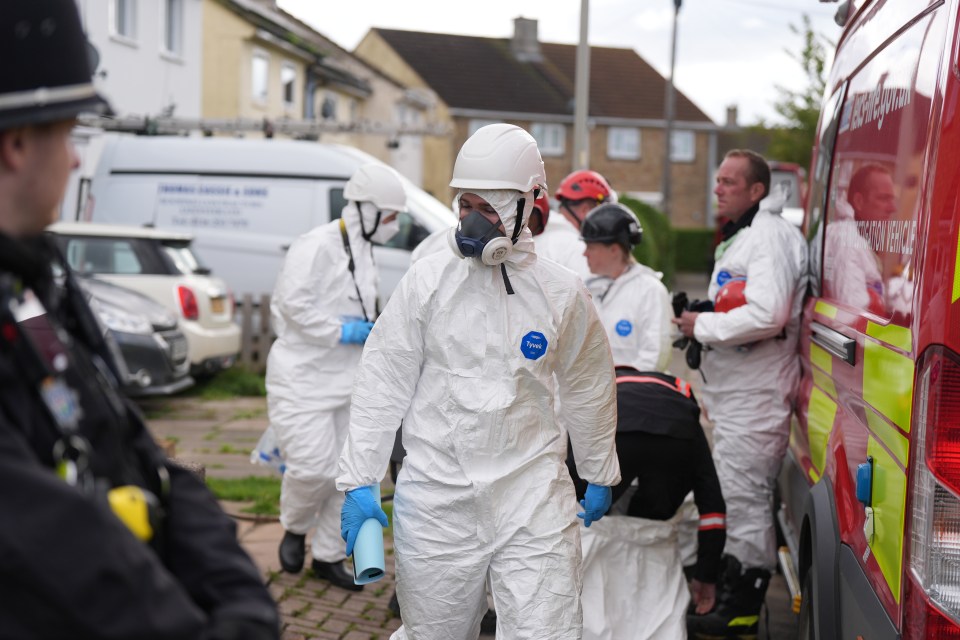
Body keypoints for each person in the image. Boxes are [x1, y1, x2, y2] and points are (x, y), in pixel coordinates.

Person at [0, 2, 279, 638]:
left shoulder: (34, 289)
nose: (75, 161)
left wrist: (236, 591)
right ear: (16, 142)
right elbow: (59, 552)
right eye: (69, 134)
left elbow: (129, 444)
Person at [337, 123, 621, 639]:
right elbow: (384, 377)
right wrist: (361, 477)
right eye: (466, 204)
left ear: (530, 205)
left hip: (532, 495)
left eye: (489, 210)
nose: (473, 221)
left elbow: (588, 383)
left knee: (548, 632)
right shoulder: (428, 280)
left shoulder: (560, 292)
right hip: (437, 498)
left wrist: (598, 467)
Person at [674, 149, 806, 639]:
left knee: (745, 499)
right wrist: (706, 314)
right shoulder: (746, 237)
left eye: (730, 181)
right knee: (737, 493)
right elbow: (747, 301)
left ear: (757, 191)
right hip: (739, 394)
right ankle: (734, 594)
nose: (718, 188)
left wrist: (701, 323)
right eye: (718, 180)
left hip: (756, 395)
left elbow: (770, 314)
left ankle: (742, 606)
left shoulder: (767, 238)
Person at [266, 162, 407, 590]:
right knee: (312, 468)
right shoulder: (317, 245)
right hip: (302, 378)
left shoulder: (362, 248)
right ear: (364, 210)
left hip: (347, 379)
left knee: (346, 473)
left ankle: (327, 555)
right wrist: (342, 330)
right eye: (390, 216)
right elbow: (293, 305)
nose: (394, 226)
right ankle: (293, 527)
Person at [575, 367, 726, 640]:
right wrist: (707, 575)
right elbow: (711, 501)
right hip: (675, 439)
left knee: (585, 511)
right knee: (654, 513)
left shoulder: (607, 381)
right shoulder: (680, 394)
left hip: (614, 430)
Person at [581, 202, 673, 372]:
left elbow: (656, 358)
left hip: (635, 394)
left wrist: (622, 387)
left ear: (614, 250)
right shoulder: (587, 289)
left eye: (591, 247)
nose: (584, 253)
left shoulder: (650, 291)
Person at [535, 169, 615, 280]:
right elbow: (592, 293)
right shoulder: (578, 249)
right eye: (601, 213)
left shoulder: (536, 237)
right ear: (585, 210)